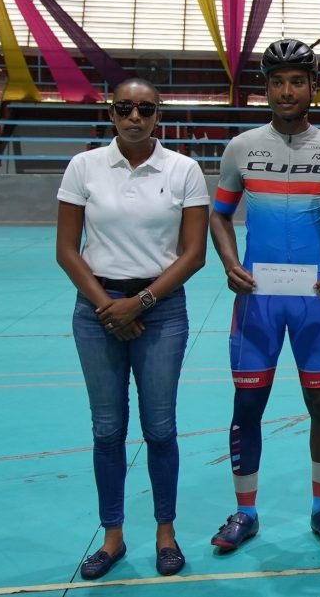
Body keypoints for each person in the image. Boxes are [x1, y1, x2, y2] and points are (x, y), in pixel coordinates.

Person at [208, 39, 320, 551]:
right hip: (258, 298)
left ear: (312, 88)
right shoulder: (242, 147)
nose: (287, 90)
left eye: (297, 80)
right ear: (266, 88)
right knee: (247, 404)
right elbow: (219, 214)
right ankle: (244, 511)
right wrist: (231, 264)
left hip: (315, 297)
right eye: (277, 81)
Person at [56, 78, 208, 579]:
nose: (135, 116)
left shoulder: (183, 170)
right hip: (97, 310)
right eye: (125, 107)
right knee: (107, 429)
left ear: (158, 114)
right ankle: (113, 537)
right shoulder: (85, 167)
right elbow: (67, 249)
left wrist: (139, 303)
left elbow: (193, 255)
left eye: (145, 108)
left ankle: (166, 534)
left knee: (160, 427)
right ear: (112, 112)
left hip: (160, 310)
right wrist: (108, 308)